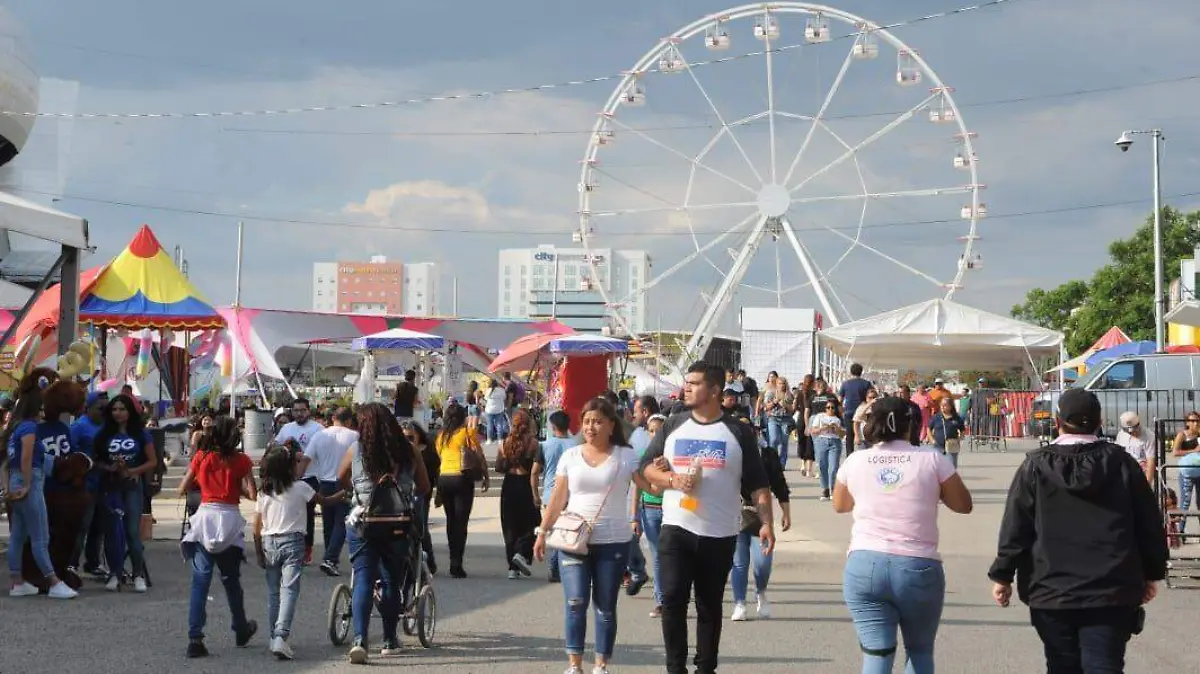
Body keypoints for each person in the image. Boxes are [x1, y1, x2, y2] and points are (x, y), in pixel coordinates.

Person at [988, 388, 1168, 674]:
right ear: (1099, 423)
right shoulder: (1122, 464)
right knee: (1104, 665)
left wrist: (1003, 574)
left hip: (1051, 590)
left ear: (1058, 421)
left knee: (1061, 666)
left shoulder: (1035, 466)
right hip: (1112, 589)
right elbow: (1148, 523)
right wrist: (1152, 572)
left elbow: (1016, 526)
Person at [639, 362, 774, 674]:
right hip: (676, 527)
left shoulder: (738, 431)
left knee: (709, 605)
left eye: (694, 383)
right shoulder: (673, 424)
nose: (686, 388)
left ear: (714, 390)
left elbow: (758, 485)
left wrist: (766, 522)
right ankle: (675, 668)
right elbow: (645, 467)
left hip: (719, 532)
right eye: (687, 382)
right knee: (672, 599)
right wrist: (671, 480)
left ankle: (705, 668)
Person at [835, 396, 973, 674]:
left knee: (876, 653)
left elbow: (841, 505)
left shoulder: (856, 460)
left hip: (865, 563)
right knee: (919, 651)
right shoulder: (932, 459)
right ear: (909, 424)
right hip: (917, 565)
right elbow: (963, 505)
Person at [533, 397, 648, 674]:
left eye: (597, 421)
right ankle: (574, 664)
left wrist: (668, 477)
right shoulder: (570, 456)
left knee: (605, 606)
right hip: (573, 540)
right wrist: (542, 533)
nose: (591, 427)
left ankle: (601, 664)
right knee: (575, 601)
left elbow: (645, 484)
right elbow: (559, 498)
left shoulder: (625, 455)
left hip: (614, 541)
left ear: (611, 425)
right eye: (586, 422)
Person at [336, 403, 430, 664]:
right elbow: (423, 485)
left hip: (364, 523)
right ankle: (389, 639)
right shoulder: (409, 450)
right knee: (391, 582)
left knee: (364, 579)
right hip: (398, 525)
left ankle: (360, 640)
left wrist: (358, 491)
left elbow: (340, 478)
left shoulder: (357, 450)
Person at [178, 415, 258, 658]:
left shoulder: (201, 457)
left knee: (200, 582)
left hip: (206, 517)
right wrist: (236, 486)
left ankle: (195, 638)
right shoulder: (242, 460)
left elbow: (182, 488)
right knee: (231, 580)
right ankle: (240, 627)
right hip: (230, 519)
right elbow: (252, 493)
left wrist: (205, 483)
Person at [254, 446, 343, 659]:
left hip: (269, 542)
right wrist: (342, 494)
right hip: (293, 542)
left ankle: (274, 635)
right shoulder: (301, 487)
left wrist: (258, 552)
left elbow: (256, 524)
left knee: (274, 593)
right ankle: (281, 635)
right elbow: (324, 501)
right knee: (289, 591)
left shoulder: (264, 492)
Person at [5, 373, 77, 599]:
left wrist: (8, 487)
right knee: (40, 536)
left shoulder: (14, 428)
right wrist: (26, 484)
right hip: (30, 480)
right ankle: (53, 581)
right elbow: (27, 457)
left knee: (18, 535)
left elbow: (5, 462)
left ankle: (17, 581)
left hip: (16, 479)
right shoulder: (28, 428)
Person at [94, 393, 157, 593]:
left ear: (130, 411)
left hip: (132, 487)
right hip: (111, 486)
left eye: (122, 409)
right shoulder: (103, 435)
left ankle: (138, 574)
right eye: (114, 409)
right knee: (112, 532)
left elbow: (153, 461)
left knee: (132, 532)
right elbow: (95, 460)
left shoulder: (141, 434)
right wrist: (109, 467)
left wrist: (133, 471)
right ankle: (114, 573)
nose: (118, 413)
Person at [730, 427, 791, 621]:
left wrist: (786, 513)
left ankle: (761, 592)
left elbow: (780, 485)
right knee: (739, 563)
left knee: (762, 564)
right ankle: (739, 603)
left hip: (762, 514)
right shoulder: (729, 456)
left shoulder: (767, 455)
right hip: (735, 512)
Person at [435, 403, 489, 578]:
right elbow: (478, 454)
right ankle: (457, 563)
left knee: (451, 521)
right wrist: (486, 476)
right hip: (461, 478)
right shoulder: (467, 433)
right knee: (461, 522)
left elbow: (439, 456)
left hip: (444, 479)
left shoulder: (441, 437)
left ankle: (452, 558)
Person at [304, 406, 359, 577]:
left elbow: (307, 457)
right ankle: (330, 558)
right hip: (344, 482)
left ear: (333, 418)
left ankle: (329, 556)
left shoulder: (320, 435)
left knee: (328, 523)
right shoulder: (354, 436)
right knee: (341, 523)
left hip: (324, 483)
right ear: (349, 420)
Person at [274, 398, 324, 565]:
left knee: (308, 514)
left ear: (308, 411)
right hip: (289, 478)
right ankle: (289, 547)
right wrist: (289, 452)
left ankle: (307, 549)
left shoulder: (318, 429)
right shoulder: (287, 428)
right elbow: (275, 447)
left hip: (310, 477)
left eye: (302, 410)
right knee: (290, 513)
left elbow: (324, 450)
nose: (299, 413)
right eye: (296, 410)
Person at [532, 410, 575, 583]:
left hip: (550, 495)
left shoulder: (544, 446)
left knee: (553, 533)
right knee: (568, 533)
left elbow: (535, 472)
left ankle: (554, 567)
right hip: (572, 495)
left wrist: (535, 494)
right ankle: (565, 567)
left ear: (553, 426)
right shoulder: (576, 446)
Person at [497, 409, 540, 579]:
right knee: (534, 522)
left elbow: (499, 468)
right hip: (525, 484)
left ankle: (512, 567)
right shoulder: (533, 444)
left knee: (509, 525)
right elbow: (536, 469)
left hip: (509, 485)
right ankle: (522, 553)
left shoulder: (504, 443)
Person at [625, 395, 660, 595]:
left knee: (658, 554)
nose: (633, 415)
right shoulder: (636, 434)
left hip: (653, 501)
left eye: (636, 411)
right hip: (640, 498)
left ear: (645, 412)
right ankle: (637, 572)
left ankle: (660, 596)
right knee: (631, 537)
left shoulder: (645, 435)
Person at [69, 391, 107, 575]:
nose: (104, 411)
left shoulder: (108, 426)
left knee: (99, 526)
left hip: (104, 484)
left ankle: (92, 563)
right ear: (89, 408)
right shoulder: (79, 427)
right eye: (101, 408)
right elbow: (70, 453)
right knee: (81, 526)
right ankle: (71, 563)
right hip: (84, 485)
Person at [808, 399, 846, 501]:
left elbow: (843, 434)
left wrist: (836, 429)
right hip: (822, 441)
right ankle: (825, 489)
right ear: (825, 408)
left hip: (835, 442)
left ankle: (833, 489)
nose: (830, 409)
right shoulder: (820, 417)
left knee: (833, 467)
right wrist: (822, 428)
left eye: (832, 407)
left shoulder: (838, 419)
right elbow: (813, 430)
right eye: (828, 407)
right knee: (822, 466)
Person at [1173, 412, 1200, 532]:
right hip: (1187, 473)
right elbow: (1175, 452)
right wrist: (1193, 450)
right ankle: (1181, 530)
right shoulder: (1182, 435)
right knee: (1185, 502)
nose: (1195, 423)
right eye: (1193, 421)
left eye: (1197, 421)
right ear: (1187, 422)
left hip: (1198, 471)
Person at [838, 363, 873, 455]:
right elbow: (871, 396)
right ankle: (864, 454)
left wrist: (842, 412)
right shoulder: (866, 384)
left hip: (849, 412)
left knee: (849, 436)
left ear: (851, 372)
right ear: (861, 372)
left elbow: (840, 400)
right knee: (864, 434)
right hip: (863, 412)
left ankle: (849, 456)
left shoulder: (845, 384)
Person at [1115, 411, 1156, 487]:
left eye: (1135, 429)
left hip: (1141, 474)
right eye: (1129, 432)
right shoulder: (1121, 435)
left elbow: (1151, 462)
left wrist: (1147, 486)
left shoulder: (1149, 436)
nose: (1132, 432)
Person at [762, 376, 793, 470]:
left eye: (783, 383)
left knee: (784, 441)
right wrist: (775, 402)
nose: (782, 385)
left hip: (785, 419)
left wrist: (786, 406)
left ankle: (782, 463)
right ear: (776, 384)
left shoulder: (789, 395)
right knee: (773, 440)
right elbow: (765, 407)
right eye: (780, 383)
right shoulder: (771, 393)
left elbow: (792, 410)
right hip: (773, 419)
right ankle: (773, 461)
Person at [929, 397, 966, 468]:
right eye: (941, 404)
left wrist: (959, 439)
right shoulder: (936, 417)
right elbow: (929, 428)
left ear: (950, 406)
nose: (942, 406)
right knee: (937, 467)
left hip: (952, 446)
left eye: (945, 405)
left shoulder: (956, 418)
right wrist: (932, 440)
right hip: (938, 446)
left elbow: (963, 430)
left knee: (952, 467)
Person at [484, 379, 508, 444]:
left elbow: (485, 398)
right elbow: (504, 398)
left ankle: (489, 439)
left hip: (489, 410)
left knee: (489, 425)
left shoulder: (488, 390)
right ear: (497, 383)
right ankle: (500, 439)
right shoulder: (502, 390)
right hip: (499, 409)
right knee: (499, 424)